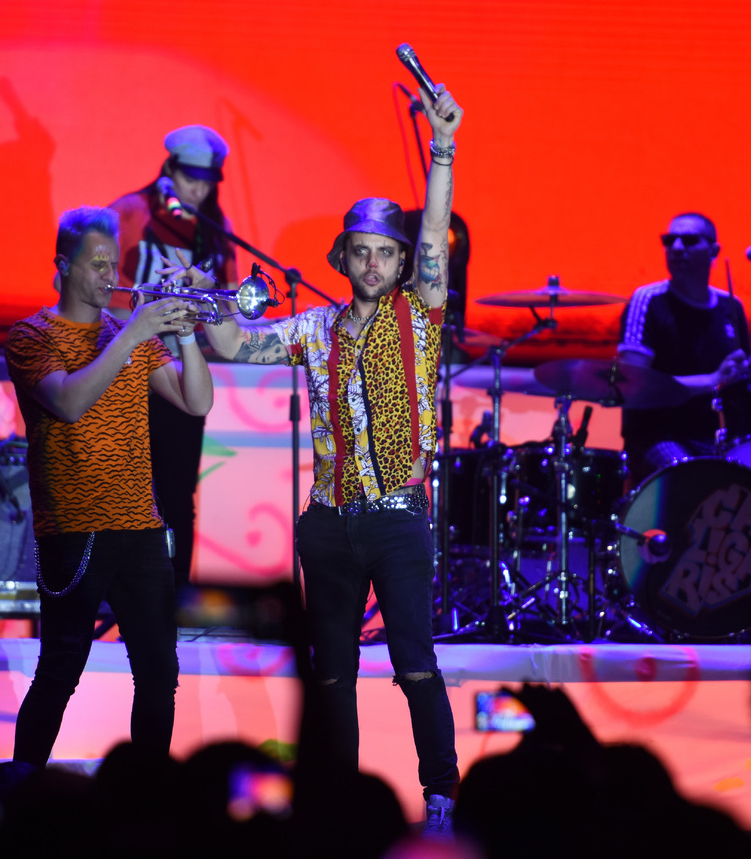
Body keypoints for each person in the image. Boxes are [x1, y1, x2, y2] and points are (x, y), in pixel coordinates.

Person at [192, 86, 463, 833]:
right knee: (332, 674)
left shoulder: (419, 314)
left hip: (397, 521)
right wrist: (208, 303)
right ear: (343, 258)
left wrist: (442, 149)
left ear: (402, 262)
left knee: (415, 664)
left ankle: (441, 797)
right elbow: (235, 346)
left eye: (386, 252)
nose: (373, 263)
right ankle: (339, 808)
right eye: (361, 251)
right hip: (327, 523)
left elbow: (434, 229)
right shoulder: (314, 327)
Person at [6, 206, 212, 767]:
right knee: (59, 672)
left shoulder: (128, 334)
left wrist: (187, 338)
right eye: (96, 264)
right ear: (62, 266)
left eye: (113, 264)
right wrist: (134, 332)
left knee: (159, 674)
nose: (109, 275)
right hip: (74, 531)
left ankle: (145, 798)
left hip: (141, 528)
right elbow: (69, 402)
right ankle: (22, 789)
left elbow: (197, 402)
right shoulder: (30, 335)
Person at [109, 125, 236, 589]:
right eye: (190, 180)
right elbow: (98, 290)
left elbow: (229, 308)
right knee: (120, 491)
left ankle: (174, 598)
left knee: (179, 495)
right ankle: (116, 596)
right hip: (125, 368)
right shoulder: (129, 212)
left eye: (207, 182)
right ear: (169, 169)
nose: (199, 191)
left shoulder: (215, 229)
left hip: (182, 369)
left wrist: (211, 298)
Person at [617, 213, 751, 484]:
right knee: (693, 479)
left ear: (714, 251)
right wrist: (712, 381)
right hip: (656, 437)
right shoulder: (649, 301)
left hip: (716, 438)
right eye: (669, 241)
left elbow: (743, 382)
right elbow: (632, 386)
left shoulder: (731, 306)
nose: (676, 248)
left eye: (689, 240)